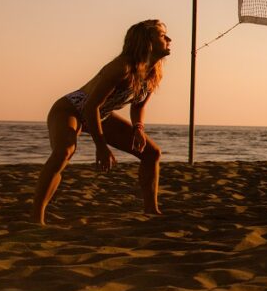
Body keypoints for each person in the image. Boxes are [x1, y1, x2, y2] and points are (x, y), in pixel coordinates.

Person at [32, 20, 172, 225]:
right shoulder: (122, 67)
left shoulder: (154, 71)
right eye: (162, 35)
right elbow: (90, 107)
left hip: (102, 115)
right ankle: (37, 218)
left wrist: (138, 128)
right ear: (147, 41)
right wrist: (101, 146)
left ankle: (151, 211)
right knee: (64, 152)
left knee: (152, 153)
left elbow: (139, 106)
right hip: (72, 109)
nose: (169, 39)